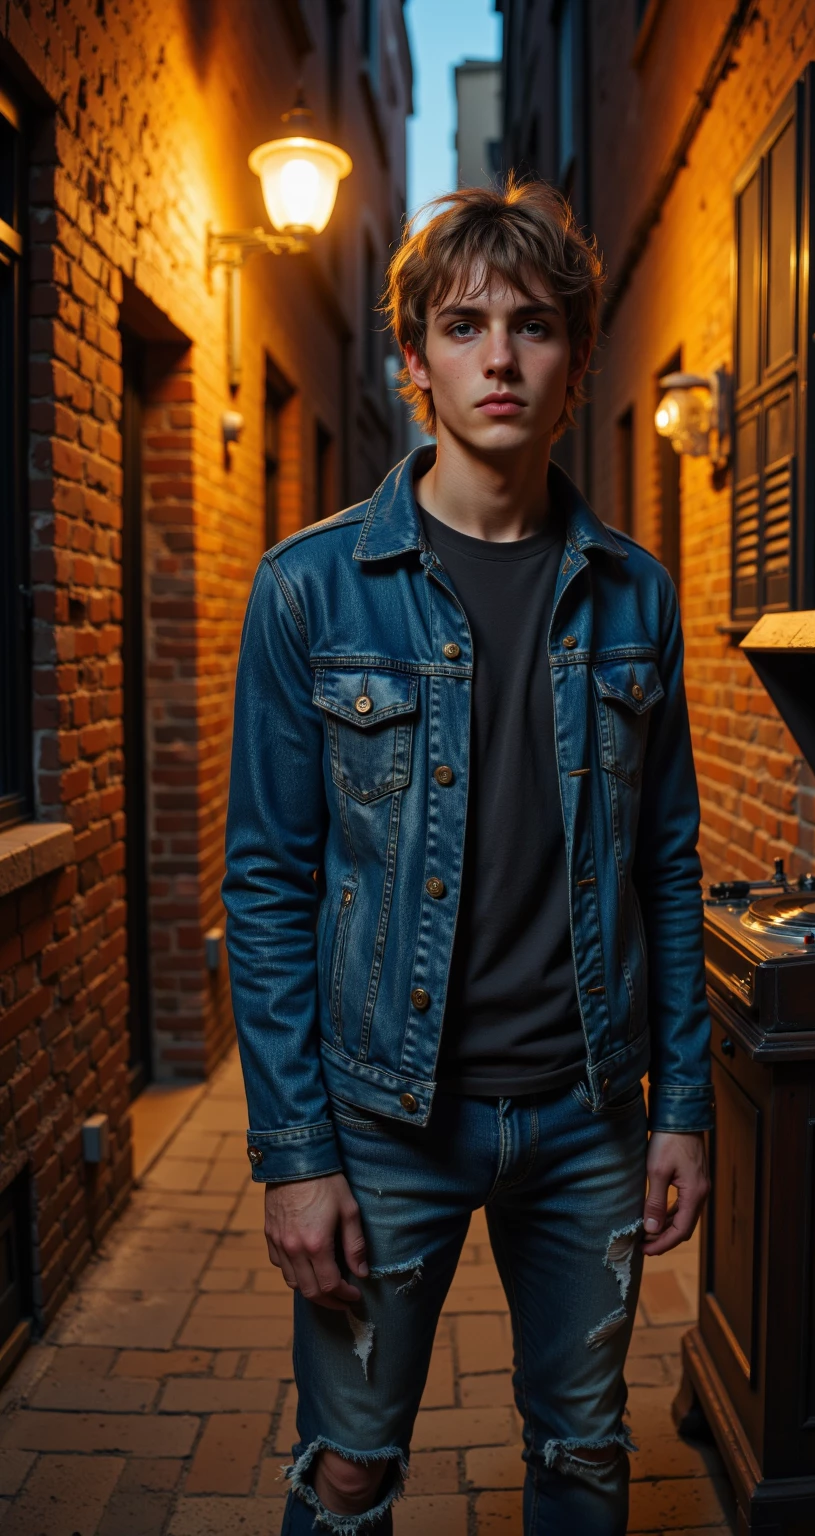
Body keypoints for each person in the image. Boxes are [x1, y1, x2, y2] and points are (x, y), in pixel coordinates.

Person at [222, 176, 713, 1536]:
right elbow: (266, 885)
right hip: (385, 1122)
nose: (499, 356)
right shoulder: (310, 590)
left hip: (590, 1115)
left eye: (534, 325)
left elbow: (667, 864)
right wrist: (295, 1155)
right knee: (353, 1465)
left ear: (575, 361)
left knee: (583, 1453)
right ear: (413, 363)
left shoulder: (634, 593)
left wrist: (684, 1108)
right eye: (463, 325)